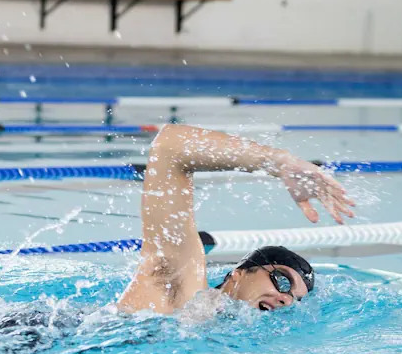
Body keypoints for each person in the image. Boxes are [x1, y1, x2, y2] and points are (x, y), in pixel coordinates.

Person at [116, 124, 355, 315]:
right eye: (283, 282)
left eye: (295, 299)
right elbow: (170, 147)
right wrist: (280, 163)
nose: (286, 299)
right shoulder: (179, 287)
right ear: (238, 274)